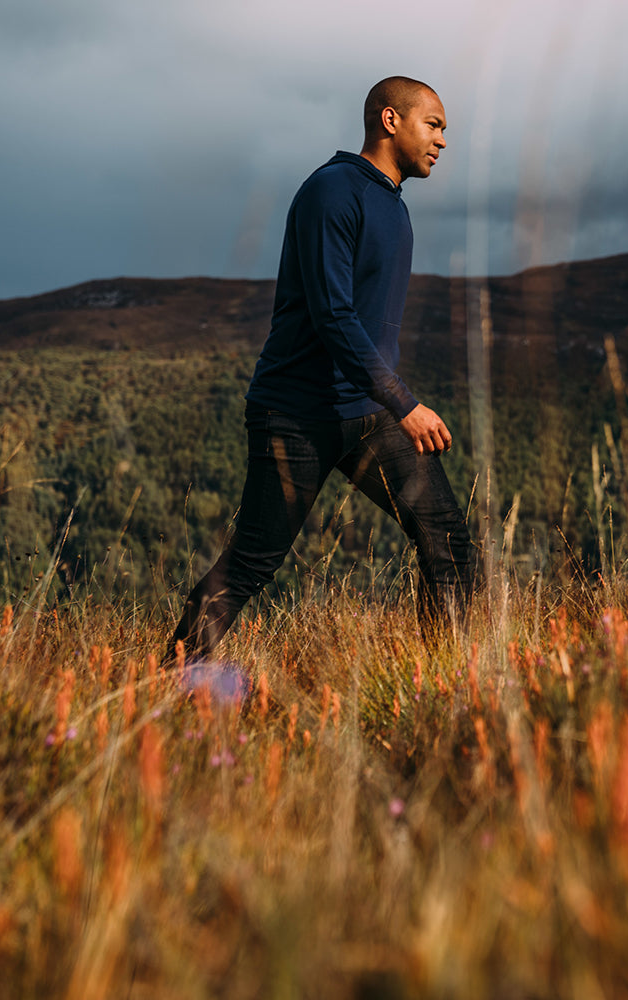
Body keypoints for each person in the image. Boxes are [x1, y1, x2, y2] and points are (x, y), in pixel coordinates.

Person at [169, 76, 474, 664]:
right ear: (390, 121)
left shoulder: (394, 206)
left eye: (444, 130)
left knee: (448, 542)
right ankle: (167, 681)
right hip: (297, 416)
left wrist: (389, 403)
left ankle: (443, 683)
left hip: (367, 413)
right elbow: (333, 317)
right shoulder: (333, 192)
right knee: (252, 562)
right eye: (433, 124)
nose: (441, 140)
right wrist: (405, 403)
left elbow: (370, 325)